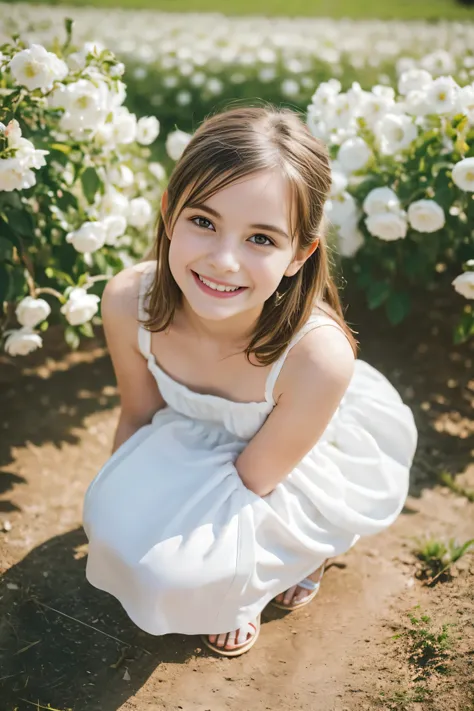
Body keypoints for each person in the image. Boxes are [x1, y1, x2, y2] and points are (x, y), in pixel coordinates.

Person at [83, 105, 418, 658]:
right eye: (204, 222)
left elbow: (254, 480)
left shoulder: (316, 357)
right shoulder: (128, 301)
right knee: (106, 522)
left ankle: (281, 568)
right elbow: (138, 417)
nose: (223, 261)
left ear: (299, 254)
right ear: (169, 215)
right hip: (187, 439)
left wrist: (226, 584)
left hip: (283, 467)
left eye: (261, 239)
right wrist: (116, 504)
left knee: (182, 578)